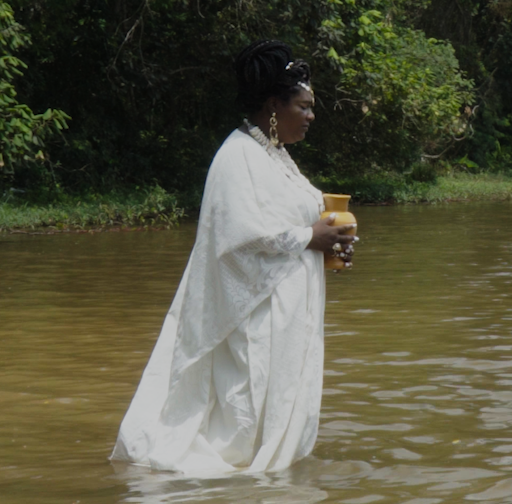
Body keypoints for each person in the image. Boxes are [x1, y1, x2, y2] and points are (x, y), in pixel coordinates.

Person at [110, 40, 356, 476]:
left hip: (288, 309)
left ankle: (268, 487)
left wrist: (329, 241)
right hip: (255, 314)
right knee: (249, 400)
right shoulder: (237, 155)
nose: (311, 116)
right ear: (274, 105)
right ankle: (244, 487)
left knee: (276, 401)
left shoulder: (274, 155)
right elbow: (240, 236)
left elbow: (293, 221)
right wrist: (309, 237)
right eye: (303, 107)